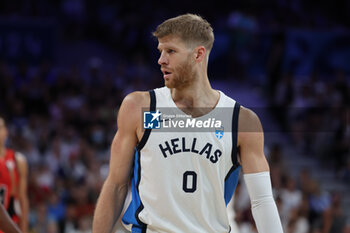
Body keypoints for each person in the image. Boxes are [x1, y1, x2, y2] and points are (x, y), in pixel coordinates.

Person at [92, 14, 283, 233]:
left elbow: (262, 201)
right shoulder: (140, 107)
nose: (161, 60)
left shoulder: (240, 120)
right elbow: (116, 185)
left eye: (171, 51)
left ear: (198, 54)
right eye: (160, 51)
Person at [0, 117, 29, 233]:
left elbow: (22, 200)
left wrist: (24, 229)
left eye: (0, 127)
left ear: (6, 131)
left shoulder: (17, 160)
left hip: (9, 222)